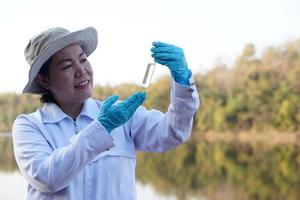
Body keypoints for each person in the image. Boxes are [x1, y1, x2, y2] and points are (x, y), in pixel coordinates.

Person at [12, 26, 200, 200]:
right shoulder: (29, 126)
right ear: (44, 80)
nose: (81, 70)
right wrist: (102, 128)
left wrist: (182, 81)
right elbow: (46, 178)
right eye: (67, 66)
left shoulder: (122, 116)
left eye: (83, 59)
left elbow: (174, 133)